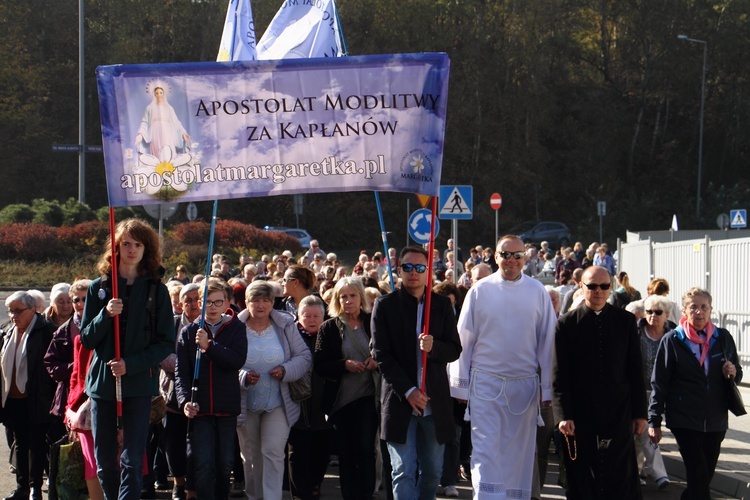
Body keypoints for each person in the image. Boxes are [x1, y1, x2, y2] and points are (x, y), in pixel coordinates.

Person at [448, 235, 557, 499]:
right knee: (485, 449)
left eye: (517, 255)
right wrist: (460, 387)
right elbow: (463, 338)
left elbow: (548, 342)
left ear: (525, 258)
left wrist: (547, 388)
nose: (511, 260)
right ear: (495, 257)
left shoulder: (538, 291)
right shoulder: (479, 290)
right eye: (505, 255)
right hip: (485, 382)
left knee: (518, 451)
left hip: (525, 385)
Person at [80, 218, 175, 499]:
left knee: (133, 461)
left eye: (138, 244)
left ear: (147, 249)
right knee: (106, 463)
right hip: (102, 385)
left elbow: (165, 343)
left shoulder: (157, 290)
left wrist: (130, 364)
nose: (132, 250)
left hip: (138, 384)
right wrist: (105, 315)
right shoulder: (99, 287)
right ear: (116, 247)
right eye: (126, 244)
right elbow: (86, 338)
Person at [372, 246, 462, 499]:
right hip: (400, 401)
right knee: (403, 470)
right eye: (408, 267)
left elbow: (454, 349)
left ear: (428, 272)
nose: (414, 273)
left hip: (434, 404)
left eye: (420, 268)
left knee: (433, 471)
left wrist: (434, 348)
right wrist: (409, 391)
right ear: (399, 269)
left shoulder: (442, 305)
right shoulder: (385, 305)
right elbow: (381, 354)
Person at [552, 265, 647, 499]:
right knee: (581, 474)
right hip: (580, 411)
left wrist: (640, 413)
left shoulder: (625, 321)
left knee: (619, 473)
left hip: (618, 409)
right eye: (592, 286)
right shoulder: (567, 323)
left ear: (610, 287)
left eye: (604, 286)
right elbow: (559, 374)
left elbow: (636, 371)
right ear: (581, 287)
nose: (598, 291)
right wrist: (563, 415)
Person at [649, 287, 742, 500]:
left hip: (716, 418)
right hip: (684, 418)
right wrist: (654, 420)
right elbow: (660, 382)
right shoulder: (673, 340)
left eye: (703, 307)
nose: (699, 312)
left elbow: (736, 376)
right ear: (684, 311)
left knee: (704, 474)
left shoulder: (722, 337)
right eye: (693, 307)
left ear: (711, 310)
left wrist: (733, 372)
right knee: (697, 472)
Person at [237, 281, 312, 500]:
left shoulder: (285, 324)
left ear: (272, 303)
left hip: (279, 400)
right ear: (246, 303)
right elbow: (226, 362)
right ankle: (254, 497)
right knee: (250, 456)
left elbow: (304, 357)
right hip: (244, 402)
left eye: (266, 300)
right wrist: (242, 376)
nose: (260, 305)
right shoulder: (234, 326)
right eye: (255, 300)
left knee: (273, 452)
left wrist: (285, 369)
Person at [174, 278, 247, 500]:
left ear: (227, 303)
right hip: (200, 408)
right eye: (208, 302)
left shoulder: (236, 328)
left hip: (226, 408)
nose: (212, 307)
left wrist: (210, 346)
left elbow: (236, 360)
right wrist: (185, 400)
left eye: (218, 302)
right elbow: (181, 373)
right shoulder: (189, 332)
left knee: (224, 465)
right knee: (203, 463)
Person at [314, 278, 379, 500]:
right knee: (346, 452)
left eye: (352, 295)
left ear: (361, 298)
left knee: (365, 448)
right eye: (343, 296)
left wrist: (375, 361)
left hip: (369, 396)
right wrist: (344, 365)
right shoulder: (329, 327)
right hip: (340, 401)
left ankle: (366, 494)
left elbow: (388, 351)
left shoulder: (373, 322)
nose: (348, 301)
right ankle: (350, 495)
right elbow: (320, 365)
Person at [0, 292, 57, 500]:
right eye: (10, 311)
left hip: (38, 398)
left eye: (18, 311)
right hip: (13, 399)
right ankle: (22, 488)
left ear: (33, 310)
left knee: (37, 445)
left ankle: (35, 488)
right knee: (20, 444)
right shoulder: (9, 331)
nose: (13, 316)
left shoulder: (47, 331)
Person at [287, 296, 332, 500]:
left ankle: (315, 484)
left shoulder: (331, 335)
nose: (312, 320)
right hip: (296, 405)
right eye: (307, 316)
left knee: (321, 453)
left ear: (324, 317)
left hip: (323, 407)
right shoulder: (290, 335)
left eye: (316, 316)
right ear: (298, 316)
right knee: (297, 454)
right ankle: (299, 494)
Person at [161, 283, 200, 500]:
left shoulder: (210, 325)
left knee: (195, 444)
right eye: (188, 300)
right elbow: (162, 354)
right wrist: (187, 367)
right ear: (180, 303)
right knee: (173, 441)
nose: (193, 304)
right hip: (173, 393)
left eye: (197, 299)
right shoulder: (172, 325)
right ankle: (179, 482)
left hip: (202, 394)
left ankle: (193, 487)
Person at [44, 279, 92, 451]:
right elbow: (50, 363)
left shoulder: (106, 325)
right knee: (70, 452)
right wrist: (77, 367)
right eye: (76, 300)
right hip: (69, 396)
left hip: (98, 396)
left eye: (85, 299)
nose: (80, 304)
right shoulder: (63, 330)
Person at [634, 295, 674, 490]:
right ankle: (659, 474)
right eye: (649, 311)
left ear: (666, 314)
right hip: (639, 390)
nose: (653, 316)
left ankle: (638, 472)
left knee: (643, 432)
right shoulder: (636, 333)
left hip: (663, 392)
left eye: (658, 312)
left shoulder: (674, 335)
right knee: (643, 432)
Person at [135, 85, 191, 157]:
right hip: (155, 132)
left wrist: (183, 133)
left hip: (167, 132)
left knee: (168, 150)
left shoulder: (169, 108)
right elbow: (145, 122)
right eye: (157, 93)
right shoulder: (150, 108)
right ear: (154, 94)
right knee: (157, 152)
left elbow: (176, 122)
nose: (159, 95)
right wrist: (140, 134)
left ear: (163, 94)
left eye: (160, 93)